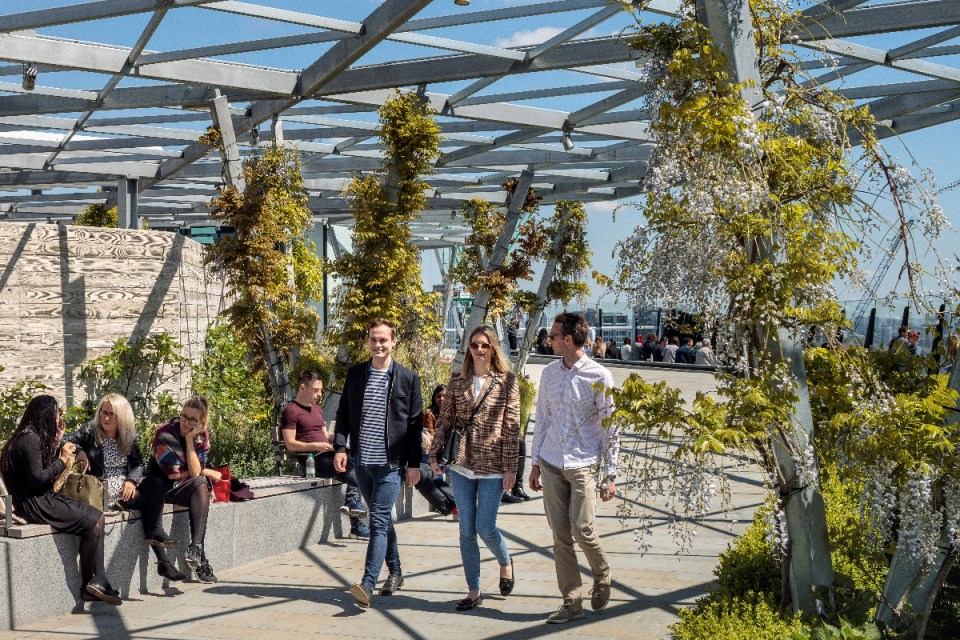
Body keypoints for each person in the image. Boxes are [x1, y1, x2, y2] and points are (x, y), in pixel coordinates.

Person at [529, 313, 619, 624]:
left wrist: (610, 475)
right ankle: (571, 600)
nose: (549, 340)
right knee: (560, 536)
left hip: (584, 464)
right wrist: (535, 463)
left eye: (553, 336)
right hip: (552, 460)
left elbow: (611, 428)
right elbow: (542, 419)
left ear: (569, 339)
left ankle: (602, 572)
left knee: (583, 529)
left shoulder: (600, 376)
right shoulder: (550, 374)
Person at [334, 318, 423, 609]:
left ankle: (368, 584)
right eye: (374, 339)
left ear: (394, 342)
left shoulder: (407, 378)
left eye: (384, 340)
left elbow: (414, 425)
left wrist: (413, 464)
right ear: (368, 342)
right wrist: (340, 446)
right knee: (381, 519)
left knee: (379, 522)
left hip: (391, 465)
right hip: (363, 462)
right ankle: (395, 571)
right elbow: (344, 412)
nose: (378, 345)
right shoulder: (357, 374)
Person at [0, 395, 122, 605]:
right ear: (46, 414)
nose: (59, 417)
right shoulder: (29, 439)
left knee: (96, 517)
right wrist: (62, 459)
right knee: (95, 519)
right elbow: (38, 479)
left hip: (37, 500)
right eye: (58, 413)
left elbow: (39, 473)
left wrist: (57, 442)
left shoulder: (29, 436)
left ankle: (96, 581)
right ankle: (92, 583)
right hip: (34, 504)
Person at [430, 324, 518, 612]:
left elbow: (511, 427)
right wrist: (434, 455)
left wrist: (510, 469)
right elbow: (444, 421)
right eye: (474, 345)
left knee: (485, 527)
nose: (479, 350)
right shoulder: (457, 381)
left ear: (493, 348)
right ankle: (474, 590)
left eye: (485, 345)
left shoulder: (506, 381)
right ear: (468, 348)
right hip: (462, 462)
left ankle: (505, 561)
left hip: (492, 464)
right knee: (466, 529)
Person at [65, 393, 186, 582]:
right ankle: (162, 556)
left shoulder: (129, 435)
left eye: (111, 414)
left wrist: (130, 481)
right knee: (149, 504)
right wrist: (80, 452)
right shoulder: (90, 430)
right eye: (103, 412)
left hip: (125, 487)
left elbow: (138, 465)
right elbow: (65, 440)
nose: (105, 417)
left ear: (121, 417)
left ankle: (162, 555)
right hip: (103, 490)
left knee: (154, 482)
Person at [281, 370, 369, 539]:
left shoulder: (317, 409)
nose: (319, 394)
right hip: (313, 460)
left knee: (357, 460)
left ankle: (352, 505)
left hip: (329, 454)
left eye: (320, 390)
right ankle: (355, 517)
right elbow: (290, 443)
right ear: (302, 387)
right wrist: (317, 445)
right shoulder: (290, 411)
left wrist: (339, 438)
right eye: (316, 390)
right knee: (353, 466)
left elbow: (325, 435)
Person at [146, 396, 221, 584]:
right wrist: (202, 470)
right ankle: (200, 557)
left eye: (192, 420)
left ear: (200, 423)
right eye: (184, 416)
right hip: (161, 488)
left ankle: (195, 548)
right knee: (201, 481)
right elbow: (173, 474)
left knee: (201, 484)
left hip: (183, 487)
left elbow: (196, 474)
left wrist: (189, 441)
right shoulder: (165, 433)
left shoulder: (202, 436)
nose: (185, 422)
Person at [418, 384, 456, 517]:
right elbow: (432, 438)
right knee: (438, 469)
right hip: (433, 452)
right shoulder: (429, 413)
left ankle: (455, 503)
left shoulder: (454, 413)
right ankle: (451, 504)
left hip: (448, 452)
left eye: (445, 396)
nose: (442, 399)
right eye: (438, 396)